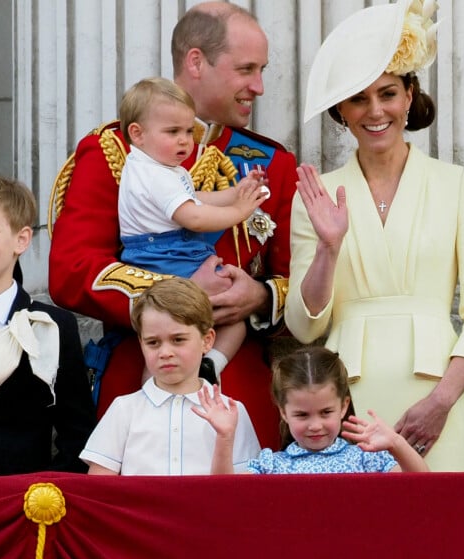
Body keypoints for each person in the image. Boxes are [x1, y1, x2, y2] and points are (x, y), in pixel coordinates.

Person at [48, 2, 297, 450]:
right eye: (246, 69)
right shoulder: (115, 152)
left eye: (262, 70)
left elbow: (295, 279)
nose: (259, 87)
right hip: (141, 382)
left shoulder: (271, 164)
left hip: (239, 389)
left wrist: (260, 296)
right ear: (196, 62)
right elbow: (72, 270)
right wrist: (175, 299)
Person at [285, 0, 464, 471]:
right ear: (341, 110)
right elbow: (305, 328)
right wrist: (329, 247)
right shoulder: (316, 195)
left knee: (441, 536)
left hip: (436, 397)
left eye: (387, 94)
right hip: (346, 404)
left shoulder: (456, 184)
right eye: (358, 99)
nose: (375, 111)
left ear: (409, 95)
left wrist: (442, 402)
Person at [118, 76, 268, 381]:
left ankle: (207, 367)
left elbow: (197, 198)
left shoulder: (158, 167)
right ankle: (176, 381)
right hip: (165, 254)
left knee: (187, 327)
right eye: (173, 132)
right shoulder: (154, 174)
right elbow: (195, 217)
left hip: (171, 250)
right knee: (177, 325)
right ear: (138, 133)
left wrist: (237, 191)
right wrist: (239, 210)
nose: (186, 140)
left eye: (189, 131)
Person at [80, 277, 260, 475]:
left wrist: (225, 438)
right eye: (153, 342)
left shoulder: (232, 411)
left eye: (178, 339)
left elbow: (245, 490)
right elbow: (101, 486)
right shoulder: (124, 410)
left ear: (207, 340)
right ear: (141, 343)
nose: (165, 352)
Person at [0, 176, 96, 475]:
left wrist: (46, 494)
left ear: (22, 240)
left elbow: (77, 431)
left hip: (24, 505)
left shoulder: (55, 326)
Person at [196, 346, 429, 474]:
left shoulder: (366, 460)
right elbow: (225, 493)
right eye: (302, 415)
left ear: (343, 406)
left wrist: (397, 444)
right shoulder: (272, 466)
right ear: (283, 412)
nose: (315, 425)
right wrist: (225, 438)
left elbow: (423, 487)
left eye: (326, 412)